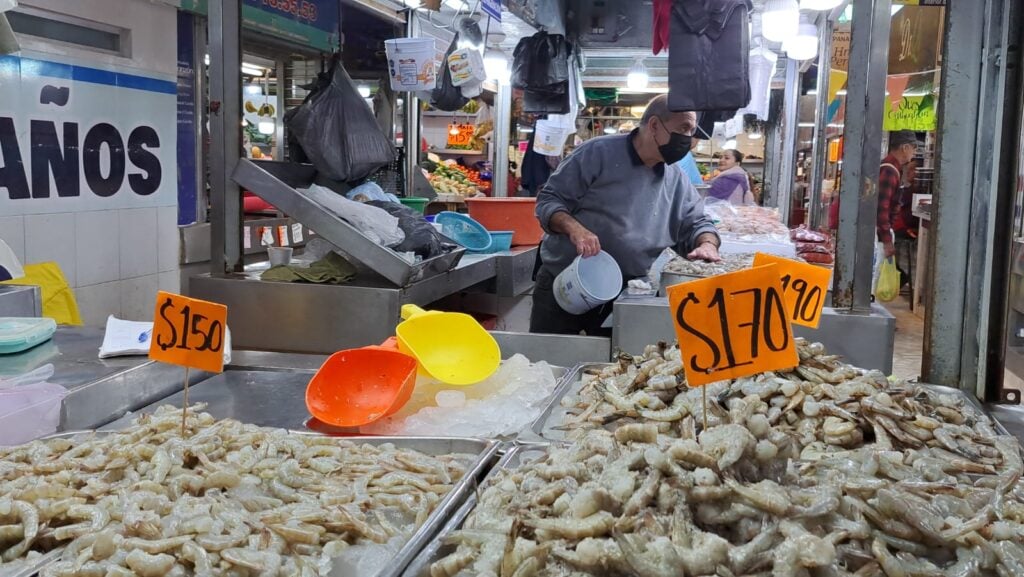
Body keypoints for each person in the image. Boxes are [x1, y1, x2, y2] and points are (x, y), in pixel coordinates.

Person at [531, 94, 721, 335]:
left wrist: (707, 243)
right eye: (684, 129)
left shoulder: (676, 179)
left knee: (607, 369)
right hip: (566, 283)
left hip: (623, 292)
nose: (689, 140)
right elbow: (549, 199)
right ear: (654, 125)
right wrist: (574, 229)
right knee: (549, 362)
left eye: (692, 131)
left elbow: (697, 223)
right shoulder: (597, 153)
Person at [873, 130, 921, 293]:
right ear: (904, 147)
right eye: (913, 148)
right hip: (878, 235)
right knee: (874, 279)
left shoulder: (891, 168)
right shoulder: (890, 170)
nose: (914, 152)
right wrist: (886, 240)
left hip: (879, 234)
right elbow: (881, 207)